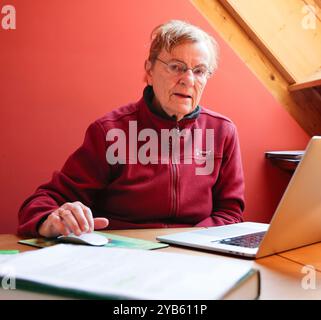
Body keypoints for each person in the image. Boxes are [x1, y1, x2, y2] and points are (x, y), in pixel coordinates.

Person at [18, 20, 245, 238]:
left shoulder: (222, 132)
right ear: (149, 70)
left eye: (199, 71)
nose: (188, 79)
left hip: (195, 256)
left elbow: (230, 213)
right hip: (124, 255)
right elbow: (43, 202)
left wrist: (191, 241)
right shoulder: (109, 131)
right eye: (176, 67)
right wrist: (51, 219)